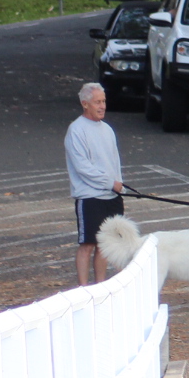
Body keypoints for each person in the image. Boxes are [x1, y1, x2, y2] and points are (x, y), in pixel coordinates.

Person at [66, 82, 124, 285]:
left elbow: (114, 161)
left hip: (112, 195)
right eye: (97, 102)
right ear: (85, 104)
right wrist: (109, 183)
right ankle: (83, 289)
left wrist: (119, 184)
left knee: (105, 245)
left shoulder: (107, 129)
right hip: (90, 197)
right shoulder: (76, 130)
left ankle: (100, 286)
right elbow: (82, 167)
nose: (102, 106)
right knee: (87, 245)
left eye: (104, 101)